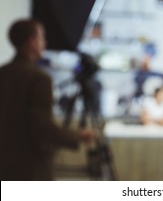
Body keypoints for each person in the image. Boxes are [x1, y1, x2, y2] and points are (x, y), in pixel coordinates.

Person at [0, 19, 96, 181]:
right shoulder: (39, 78)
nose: (45, 43)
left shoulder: (3, 73)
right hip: (30, 167)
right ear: (31, 42)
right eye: (41, 38)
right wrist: (79, 135)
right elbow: (43, 128)